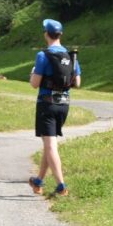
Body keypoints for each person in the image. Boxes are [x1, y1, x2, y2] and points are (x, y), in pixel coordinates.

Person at [28, 19, 80, 198]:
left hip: (47, 103)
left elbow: (34, 84)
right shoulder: (70, 56)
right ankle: (38, 181)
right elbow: (77, 83)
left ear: (45, 34)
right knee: (48, 144)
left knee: (50, 145)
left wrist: (33, 74)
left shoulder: (43, 56)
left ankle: (61, 185)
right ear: (61, 35)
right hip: (64, 104)